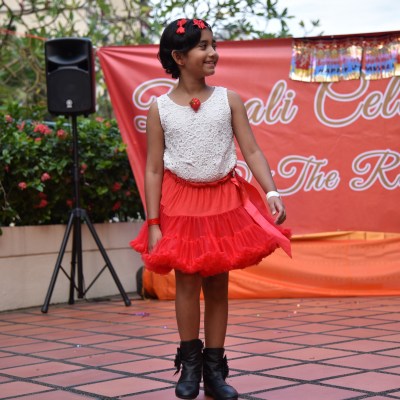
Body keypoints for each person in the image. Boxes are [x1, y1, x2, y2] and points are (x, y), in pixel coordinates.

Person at [130, 18, 291, 400]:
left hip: (223, 201)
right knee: (187, 280)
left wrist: (270, 190)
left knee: (217, 282)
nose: (213, 52)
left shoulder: (228, 99)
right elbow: (153, 169)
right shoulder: (160, 108)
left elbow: (251, 150)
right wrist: (154, 222)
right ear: (179, 57)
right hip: (180, 204)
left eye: (213, 45)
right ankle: (190, 365)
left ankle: (215, 369)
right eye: (203, 46)